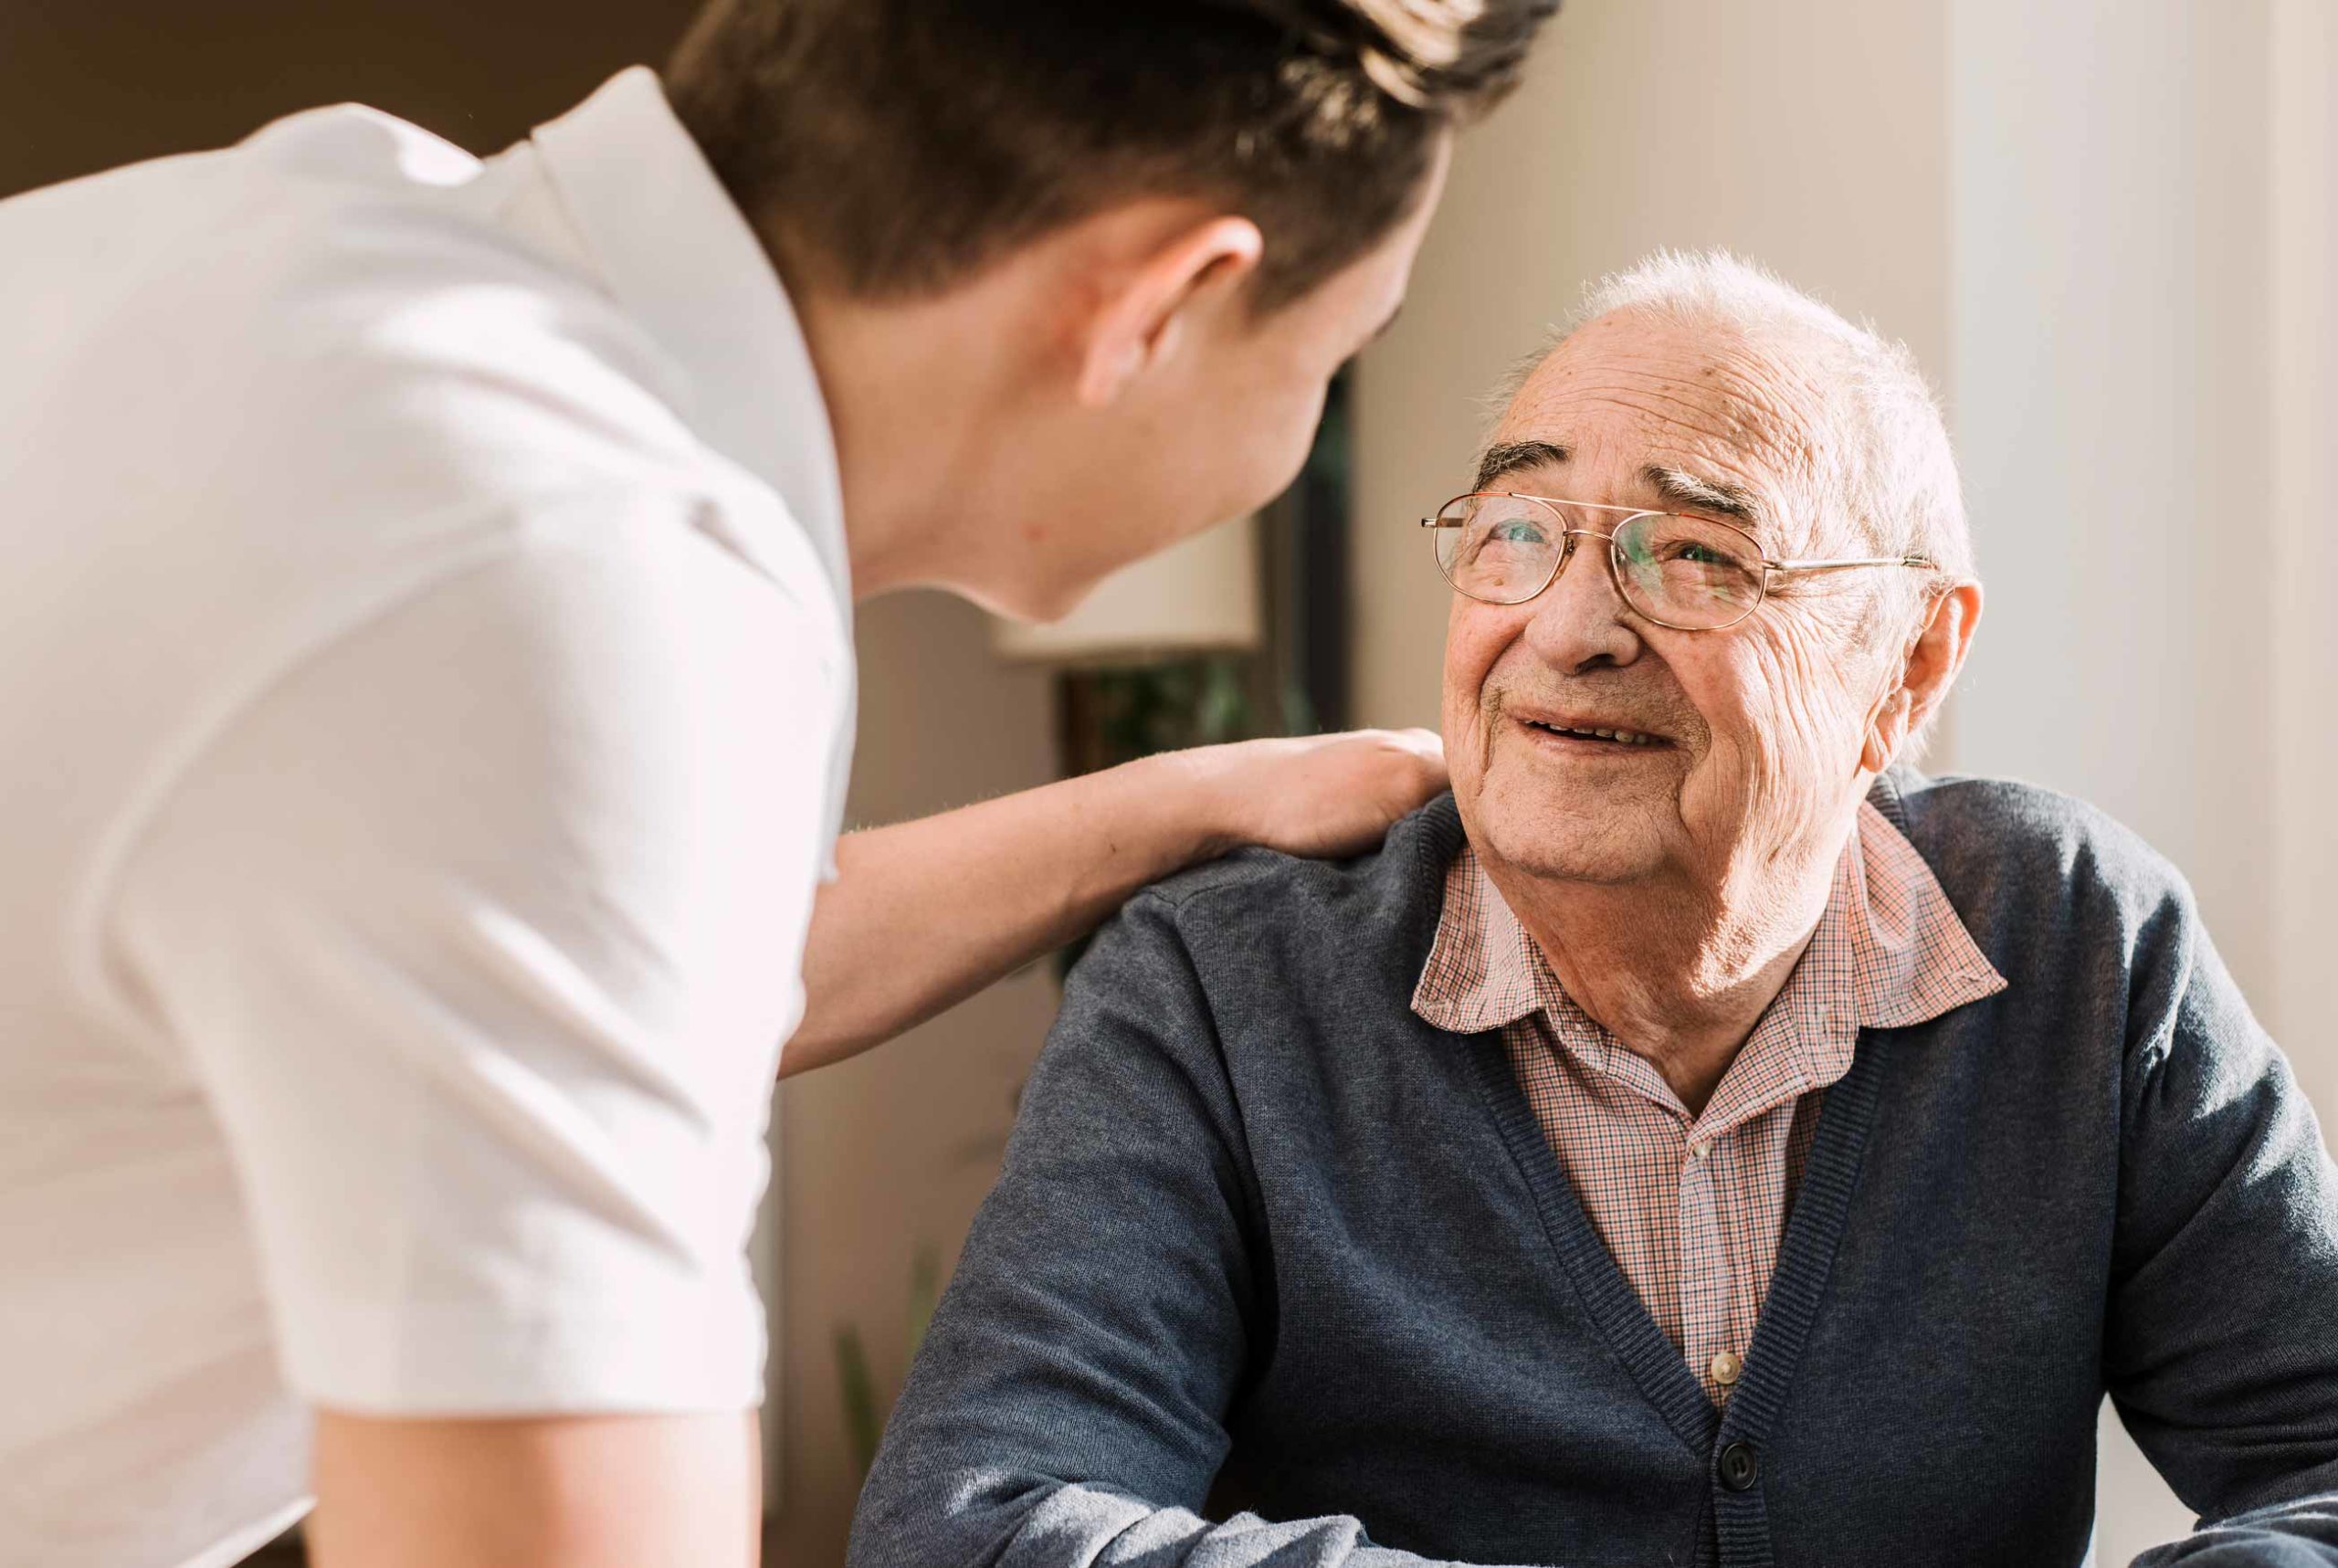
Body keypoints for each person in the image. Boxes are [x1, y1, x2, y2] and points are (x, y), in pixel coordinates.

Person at [0, 4, 1567, 1565]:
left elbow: (576, 959)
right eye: (1335, 355)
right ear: (1163, 305)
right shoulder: (573, 591)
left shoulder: (328, 235)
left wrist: (1187, 799)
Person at [848, 252, 2338, 1567]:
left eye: (1694, 553)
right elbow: (975, 1524)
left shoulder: (2079, 944)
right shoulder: (1224, 993)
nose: (1566, 626)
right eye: (1516, 529)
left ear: (1911, 666)